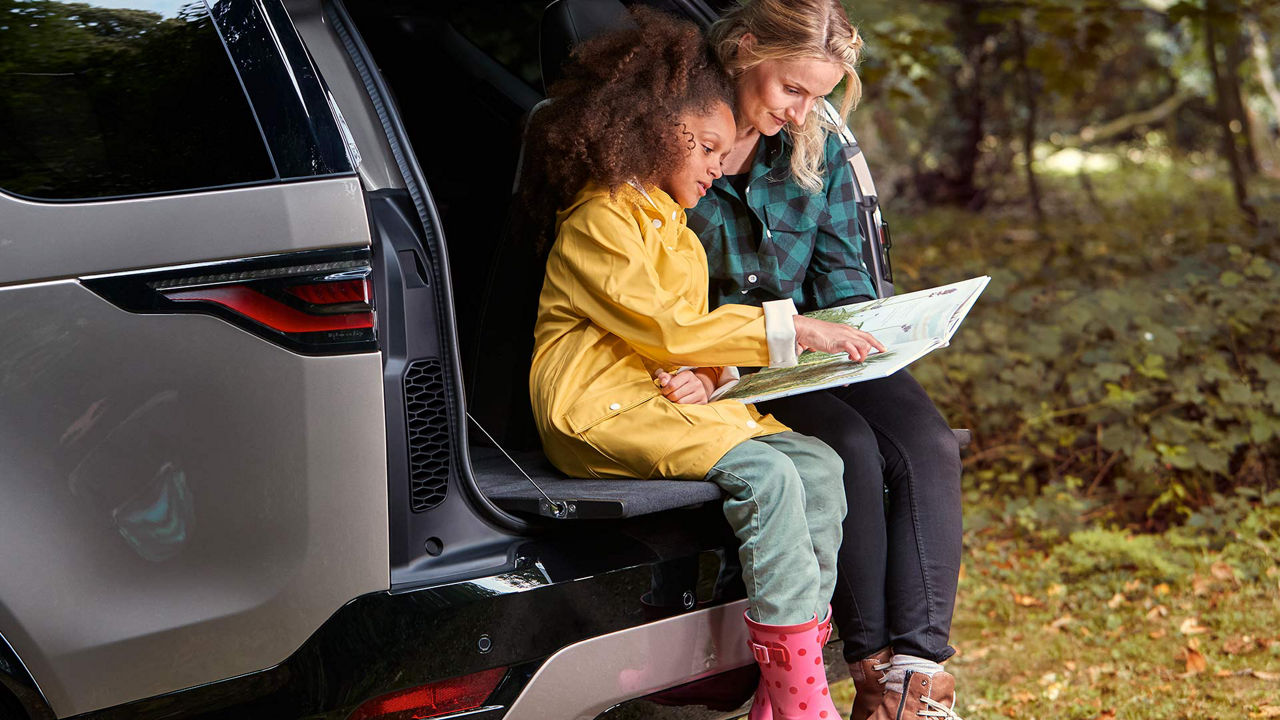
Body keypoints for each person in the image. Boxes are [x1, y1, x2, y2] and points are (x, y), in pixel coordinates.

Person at [518, 9, 883, 719]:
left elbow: (689, 342)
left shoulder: (680, 237)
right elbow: (667, 325)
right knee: (770, 473)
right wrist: (792, 328)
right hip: (594, 409)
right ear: (658, 135)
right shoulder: (600, 220)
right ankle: (800, 696)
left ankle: (784, 689)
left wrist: (715, 375)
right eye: (711, 148)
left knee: (820, 464)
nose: (721, 166)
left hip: (653, 400)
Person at [685, 2, 966, 719]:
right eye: (792, 89)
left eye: (818, 94)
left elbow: (845, 284)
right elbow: (658, 296)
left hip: (811, 349)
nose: (805, 109)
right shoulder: (684, 138)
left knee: (928, 444)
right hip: (724, 361)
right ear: (745, 51)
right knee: (847, 445)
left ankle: (917, 677)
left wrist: (871, 332)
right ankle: (869, 668)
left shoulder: (815, 145)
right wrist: (751, 350)